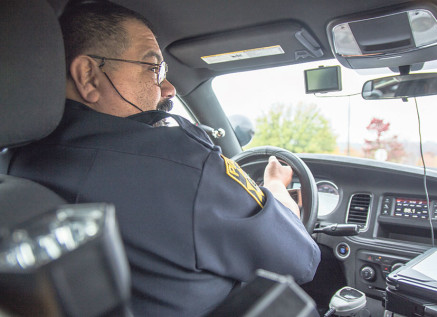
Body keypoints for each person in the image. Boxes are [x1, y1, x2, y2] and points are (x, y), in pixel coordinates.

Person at [8, 2, 320, 316]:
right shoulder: (181, 164)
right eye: (152, 67)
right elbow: (300, 259)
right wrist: (279, 192)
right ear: (88, 76)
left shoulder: (13, 170)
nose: (168, 88)